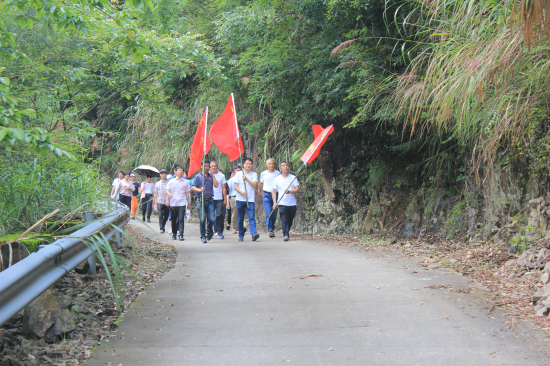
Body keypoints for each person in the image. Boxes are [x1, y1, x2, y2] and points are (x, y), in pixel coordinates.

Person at [272, 161, 300, 241]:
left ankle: (286, 230)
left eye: (286, 165)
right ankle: (285, 234)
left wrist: (290, 191)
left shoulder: (293, 177)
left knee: (290, 219)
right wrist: (275, 202)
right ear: (280, 169)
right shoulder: (277, 179)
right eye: (283, 166)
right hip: (282, 202)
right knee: (284, 218)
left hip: (292, 203)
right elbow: (274, 191)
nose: (285, 167)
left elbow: (297, 189)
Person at [192, 161, 219, 243]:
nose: (206, 167)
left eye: (208, 166)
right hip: (201, 200)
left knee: (211, 219)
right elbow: (193, 187)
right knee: (202, 219)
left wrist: (213, 175)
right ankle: (203, 236)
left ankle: (209, 231)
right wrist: (199, 190)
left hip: (210, 200)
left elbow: (216, 185)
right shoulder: (198, 176)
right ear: (201, 167)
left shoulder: (211, 176)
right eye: (205, 166)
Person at [234, 158, 260, 242]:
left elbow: (254, 185)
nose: (248, 165)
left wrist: (247, 179)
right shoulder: (238, 174)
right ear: (243, 164)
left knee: (251, 217)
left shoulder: (254, 174)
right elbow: (235, 186)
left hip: (250, 199)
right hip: (240, 199)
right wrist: (242, 192)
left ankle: (254, 233)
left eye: (250, 164)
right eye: (247, 163)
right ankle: (241, 235)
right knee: (240, 218)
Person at [166, 165, 191, 241]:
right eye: (179, 170)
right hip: (173, 203)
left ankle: (181, 234)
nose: (180, 171)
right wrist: (168, 195)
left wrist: (188, 203)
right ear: (175, 171)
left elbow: (187, 193)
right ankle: (174, 234)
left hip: (182, 203)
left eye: (181, 170)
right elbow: (167, 189)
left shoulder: (186, 182)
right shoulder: (171, 181)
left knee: (181, 219)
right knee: (174, 219)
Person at [259, 158, 281, 238]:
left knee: (274, 214)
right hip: (266, 195)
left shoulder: (278, 173)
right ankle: (270, 230)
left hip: (276, 195)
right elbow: (260, 183)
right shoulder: (263, 173)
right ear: (267, 165)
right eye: (270, 164)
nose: (271, 165)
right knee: (268, 213)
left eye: (273, 164)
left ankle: (272, 227)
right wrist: (259, 192)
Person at [210, 161, 227, 239]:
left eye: (215, 166)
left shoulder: (221, 176)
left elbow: (224, 188)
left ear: (217, 167)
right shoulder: (206, 175)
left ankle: (220, 232)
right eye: (212, 166)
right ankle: (209, 232)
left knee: (219, 215)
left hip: (219, 198)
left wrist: (225, 199)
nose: (214, 167)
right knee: (210, 216)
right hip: (209, 198)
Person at [226, 166, 242, 234]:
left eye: (239, 170)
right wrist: (227, 200)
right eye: (236, 170)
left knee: (241, 212)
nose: (238, 171)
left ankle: (242, 227)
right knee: (234, 213)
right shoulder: (231, 180)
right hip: (234, 197)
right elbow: (228, 190)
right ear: (234, 172)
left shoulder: (243, 178)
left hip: (242, 196)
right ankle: (235, 228)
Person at [154, 169, 170, 234]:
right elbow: (155, 194)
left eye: (165, 173)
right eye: (162, 173)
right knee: (160, 215)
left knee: (166, 215)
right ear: (160, 175)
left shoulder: (168, 183)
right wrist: (155, 203)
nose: (163, 175)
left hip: (166, 201)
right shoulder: (157, 183)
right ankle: (161, 228)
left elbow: (169, 192)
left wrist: (168, 200)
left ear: (166, 175)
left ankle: (163, 225)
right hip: (159, 201)